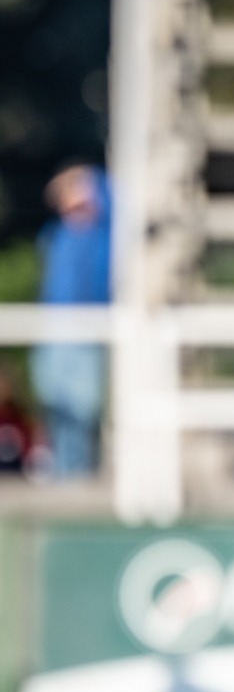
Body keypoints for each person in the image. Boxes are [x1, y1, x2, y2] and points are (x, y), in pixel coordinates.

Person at [30, 166, 111, 479]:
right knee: (54, 403)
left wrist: (87, 178)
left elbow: (114, 197)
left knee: (82, 410)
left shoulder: (102, 235)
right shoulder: (55, 235)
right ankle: (60, 472)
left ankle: (77, 475)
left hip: (86, 330)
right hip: (54, 330)